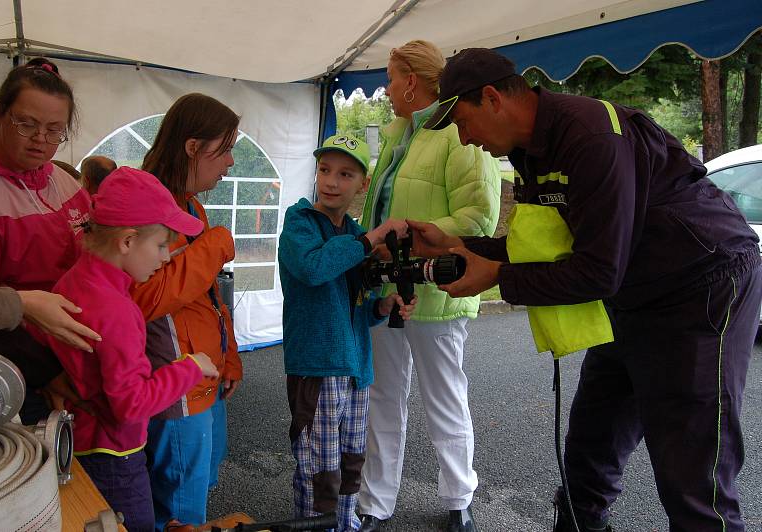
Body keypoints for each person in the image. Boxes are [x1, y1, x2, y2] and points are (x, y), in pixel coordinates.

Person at [412, 47, 762, 532]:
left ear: (492, 98)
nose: (464, 139)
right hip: (632, 291)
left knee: (693, 475)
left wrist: (495, 277)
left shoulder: (591, 135)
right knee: (588, 452)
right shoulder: (528, 151)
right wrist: (457, 245)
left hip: (702, 283)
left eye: (462, 122)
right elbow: (548, 248)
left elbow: (597, 272)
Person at [356, 40, 500, 532]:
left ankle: (459, 499)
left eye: (391, 78)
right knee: (383, 398)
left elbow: (479, 218)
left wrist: (408, 232)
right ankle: (375, 502)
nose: (388, 88)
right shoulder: (398, 133)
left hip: (438, 292)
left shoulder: (460, 133)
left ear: (411, 81)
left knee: (445, 398)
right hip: (385, 290)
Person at [46, 166, 220, 532]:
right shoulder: (118, 310)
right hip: (115, 454)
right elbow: (131, 405)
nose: (166, 257)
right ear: (126, 241)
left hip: (79, 435)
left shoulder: (75, 279)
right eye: (160, 245)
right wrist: (189, 367)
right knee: (134, 523)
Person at [279, 134, 416, 532]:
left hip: (357, 368)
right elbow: (314, 269)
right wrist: (371, 238)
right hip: (318, 367)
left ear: (363, 183)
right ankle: (316, 527)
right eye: (324, 170)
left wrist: (382, 307)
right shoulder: (299, 222)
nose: (331, 182)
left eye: (345, 173)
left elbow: (355, 305)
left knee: (350, 461)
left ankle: (344, 524)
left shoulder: (354, 233)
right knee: (318, 468)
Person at [0, 57, 94, 422]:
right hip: (26, 368)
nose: (41, 140)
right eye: (26, 124)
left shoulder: (63, 181)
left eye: (55, 130)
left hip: (71, 352)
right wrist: (46, 373)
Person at [132, 93, 242, 529]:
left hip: (202, 378)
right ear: (193, 147)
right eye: (226, 148)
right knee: (177, 508)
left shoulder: (188, 203)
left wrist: (227, 357)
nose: (231, 162)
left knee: (193, 493)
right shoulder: (145, 200)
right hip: (173, 386)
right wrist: (216, 243)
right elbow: (149, 297)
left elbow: (208, 298)